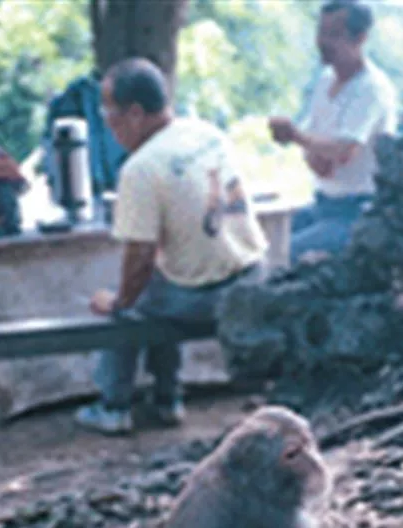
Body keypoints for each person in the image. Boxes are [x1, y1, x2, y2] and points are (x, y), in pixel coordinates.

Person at [74, 58, 269, 436]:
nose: (108, 125)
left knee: (127, 306)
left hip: (207, 296)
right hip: (253, 275)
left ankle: (113, 407)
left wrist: (117, 301)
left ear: (134, 113)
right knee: (161, 285)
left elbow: (139, 259)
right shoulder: (206, 133)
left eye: (109, 114)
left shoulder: (141, 168)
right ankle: (167, 398)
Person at [268, 0, 399, 265]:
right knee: (268, 243)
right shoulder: (326, 79)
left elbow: (344, 150)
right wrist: (311, 151)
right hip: (323, 203)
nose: (323, 42)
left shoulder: (371, 89)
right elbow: (315, 139)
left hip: (357, 211)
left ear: (360, 38)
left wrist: (297, 137)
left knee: (285, 255)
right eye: (321, 32)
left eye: (334, 35)